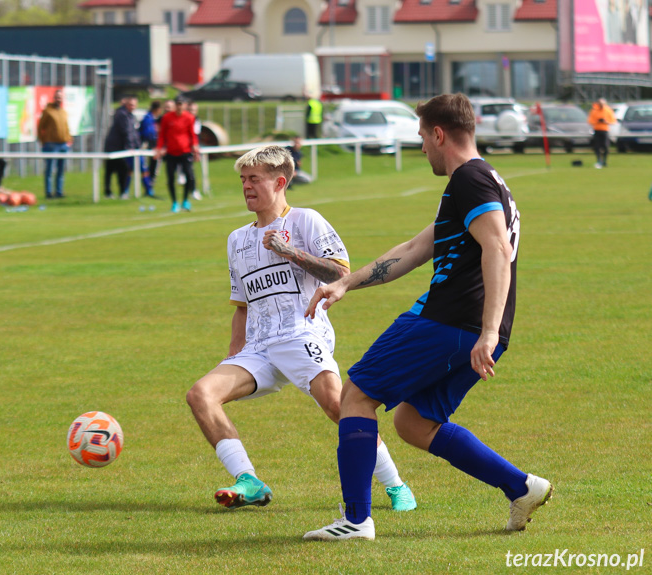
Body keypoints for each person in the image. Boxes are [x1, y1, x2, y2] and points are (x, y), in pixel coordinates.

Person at [302, 93, 551, 542]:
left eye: (421, 137)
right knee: (414, 423)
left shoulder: (469, 179)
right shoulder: (484, 179)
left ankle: (356, 520)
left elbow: (497, 249)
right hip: (471, 327)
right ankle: (522, 487)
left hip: (451, 322)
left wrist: (487, 332)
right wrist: (346, 283)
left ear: (439, 134)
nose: (420, 148)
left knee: (355, 395)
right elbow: (415, 250)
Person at [186, 145, 416, 512]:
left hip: (301, 334)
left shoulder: (306, 221)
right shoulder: (236, 239)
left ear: (280, 182)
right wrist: (234, 349)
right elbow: (242, 303)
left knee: (339, 407)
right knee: (201, 394)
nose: (246, 186)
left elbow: (342, 274)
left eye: (254, 179)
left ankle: (396, 485)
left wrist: (289, 251)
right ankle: (249, 480)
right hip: (258, 346)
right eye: (243, 180)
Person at [155, 96, 199, 213]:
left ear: (185, 105)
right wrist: (159, 148)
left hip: (185, 151)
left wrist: (195, 147)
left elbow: (192, 135)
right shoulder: (167, 118)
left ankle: (185, 200)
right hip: (171, 152)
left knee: (189, 176)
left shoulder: (189, 117)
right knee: (170, 178)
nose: (179, 106)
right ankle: (174, 202)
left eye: (181, 104)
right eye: (178, 104)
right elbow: (162, 135)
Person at [104, 94, 140, 200]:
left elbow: (134, 133)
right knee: (112, 171)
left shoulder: (130, 116)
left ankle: (121, 192)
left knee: (122, 171)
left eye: (134, 105)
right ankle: (110, 192)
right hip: (114, 148)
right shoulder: (122, 114)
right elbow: (126, 132)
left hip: (121, 148)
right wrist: (130, 146)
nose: (132, 107)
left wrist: (137, 145)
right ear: (126, 104)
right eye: (130, 104)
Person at [37, 89, 71, 199]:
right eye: (57, 97)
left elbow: (66, 127)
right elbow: (40, 127)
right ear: (54, 98)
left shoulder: (63, 112)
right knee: (49, 169)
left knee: (61, 170)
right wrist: (43, 141)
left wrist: (68, 138)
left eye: (60, 97)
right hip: (51, 144)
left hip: (63, 145)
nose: (58, 99)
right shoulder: (48, 111)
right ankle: (48, 193)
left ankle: (59, 192)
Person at [139, 100, 163, 198]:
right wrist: (154, 145)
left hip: (147, 148)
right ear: (158, 109)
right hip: (143, 148)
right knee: (145, 169)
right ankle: (148, 190)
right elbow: (149, 134)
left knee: (149, 169)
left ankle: (149, 190)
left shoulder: (151, 118)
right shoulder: (148, 119)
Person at [588, 98, 616, 169]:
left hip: (605, 130)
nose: (601, 105)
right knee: (597, 147)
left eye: (602, 104)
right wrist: (597, 121)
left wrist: (606, 122)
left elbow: (613, 121)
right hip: (597, 130)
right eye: (599, 104)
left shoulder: (608, 110)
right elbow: (590, 120)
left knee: (606, 146)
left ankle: (604, 161)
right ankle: (599, 160)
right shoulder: (594, 110)